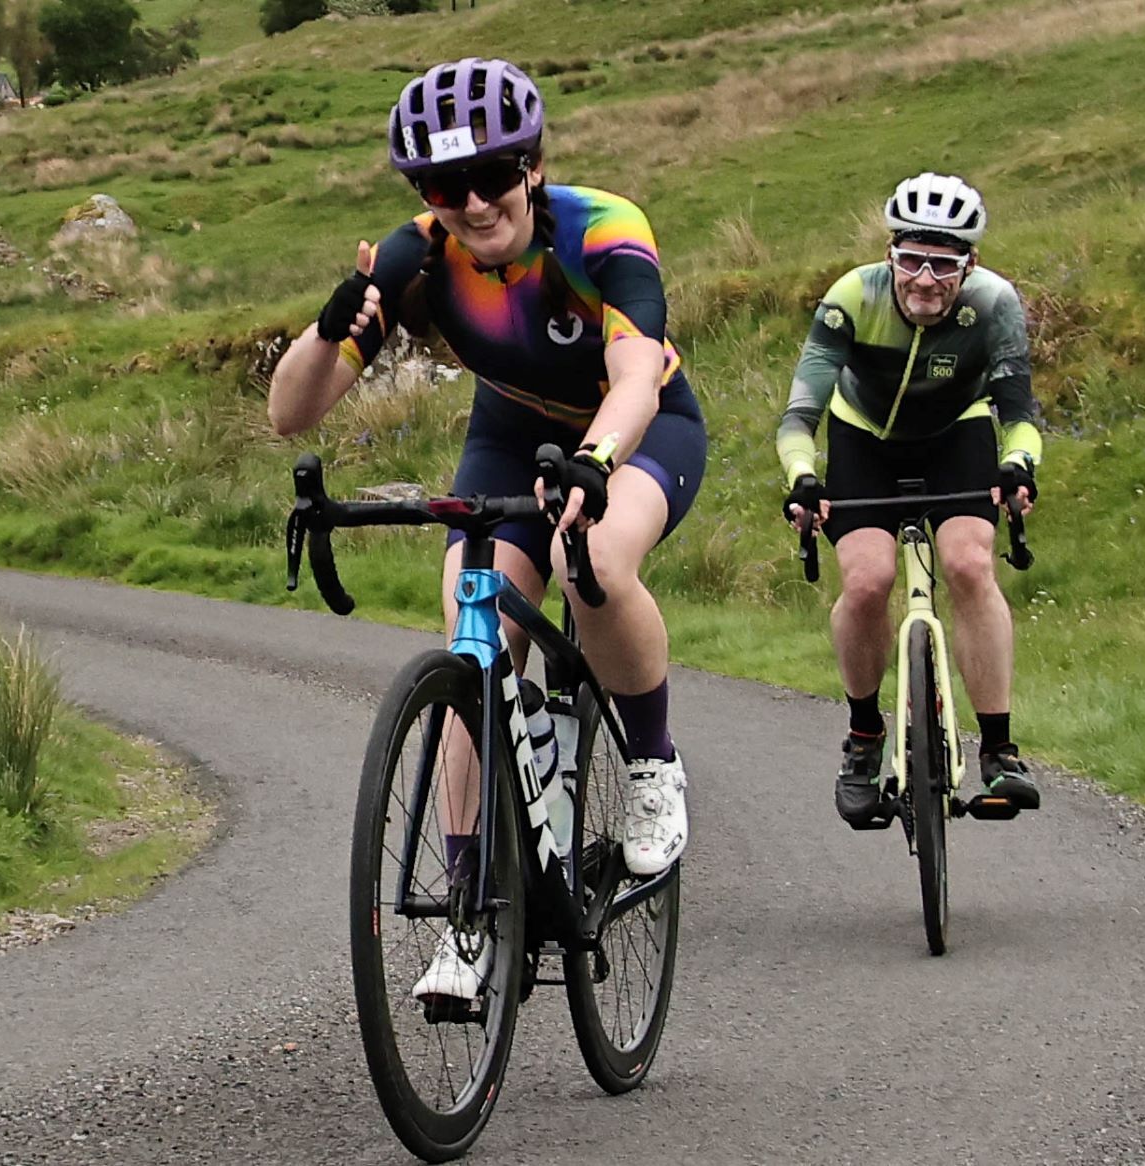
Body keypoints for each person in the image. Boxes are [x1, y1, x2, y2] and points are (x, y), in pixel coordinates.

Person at [269, 58, 706, 996]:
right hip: (508, 435)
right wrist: (329, 323)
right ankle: (471, 915)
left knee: (589, 553)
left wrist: (594, 463)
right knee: (477, 643)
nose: (471, 203)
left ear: (533, 167)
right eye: (442, 186)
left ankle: (652, 769)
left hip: (638, 425)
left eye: (492, 177)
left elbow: (634, 376)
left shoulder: (602, 230)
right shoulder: (415, 257)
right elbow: (290, 415)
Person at [776, 171, 1042, 826]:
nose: (925, 280)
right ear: (891, 253)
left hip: (957, 435)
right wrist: (803, 478)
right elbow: (799, 414)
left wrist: (1019, 465)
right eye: (910, 260)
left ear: (969, 264)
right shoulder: (852, 297)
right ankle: (864, 738)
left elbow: (1019, 410)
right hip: (864, 441)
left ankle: (1000, 751)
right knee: (867, 582)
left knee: (970, 565)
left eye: (944, 265)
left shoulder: (996, 304)